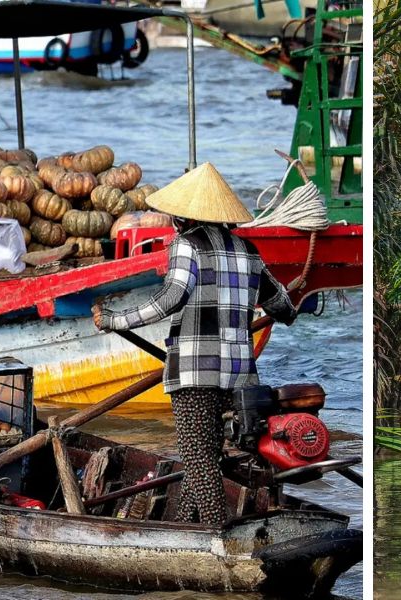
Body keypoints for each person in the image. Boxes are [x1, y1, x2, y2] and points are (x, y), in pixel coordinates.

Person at [93, 163, 297, 525]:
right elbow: (281, 304)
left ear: (184, 217)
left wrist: (114, 320)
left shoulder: (186, 245)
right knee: (207, 456)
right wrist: (293, 307)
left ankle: (218, 533)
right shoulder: (247, 250)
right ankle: (184, 526)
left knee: (198, 458)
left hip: (194, 370)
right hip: (238, 375)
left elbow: (171, 298)